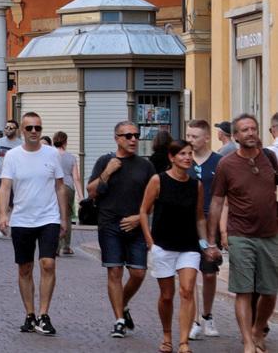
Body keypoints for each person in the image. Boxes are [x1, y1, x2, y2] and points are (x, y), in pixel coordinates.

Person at [207, 114, 278, 353]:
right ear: (235, 136)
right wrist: (213, 238)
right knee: (244, 290)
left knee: (269, 291)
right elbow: (217, 202)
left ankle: (258, 329)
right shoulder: (226, 164)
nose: (250, 133)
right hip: (240, 235)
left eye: (253, 129)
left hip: (270, 234)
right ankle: (248, 341)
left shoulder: (269, 158)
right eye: (244, 130)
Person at [0, 112, 68, 336]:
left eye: (38, 128)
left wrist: (64, 217)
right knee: (25, 268)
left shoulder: (52, 154)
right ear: (22, 131)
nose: (34, 132)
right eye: (29, 128)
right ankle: (29, 314)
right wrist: (2, 214)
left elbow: (59, 186)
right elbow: (5, 187)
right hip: (22, 219)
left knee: (48, 264)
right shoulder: (13, 156)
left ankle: (44, 314)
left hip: (48, 218)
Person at [138, 139, 209, 353]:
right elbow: (143, 211)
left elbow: (199, 217)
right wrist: (150, 243)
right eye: (182, 154)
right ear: (172, 157)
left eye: (190, 154)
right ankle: (167, 335)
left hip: (189, 246)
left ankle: (183, 342)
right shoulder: (158, 181)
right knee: (167, 295)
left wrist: (205, 244)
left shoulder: (196, 185)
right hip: (163, 245)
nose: (187, 157)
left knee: (187, 290)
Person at [87, 121, 157, 338]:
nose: (133, 139)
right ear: (116, 138)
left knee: (138, 273)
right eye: (127, 136)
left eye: (136, 135)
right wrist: (107, 172)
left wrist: (139, 217)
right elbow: (91, 192)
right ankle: (119, 319)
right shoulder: (104, 161)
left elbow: (153, 198)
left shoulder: (145, 166)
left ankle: (123, 303)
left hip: (136, 225)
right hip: (109, 224)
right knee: (115, 271)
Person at [184, 119, 224, 340]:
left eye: (194, 136)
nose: (190, 140)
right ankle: (193, 320)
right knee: (190, 274)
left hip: (210, 223)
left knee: (208, 273)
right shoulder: (183, 160)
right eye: (188, 136)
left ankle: (207, 315)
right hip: (187, 222)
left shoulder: (219, 162)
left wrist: (222, 230)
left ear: (207, 137)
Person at [51, 132, 82, 255]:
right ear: (65, 142)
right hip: (68, 187)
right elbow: (76, 178)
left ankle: (55, 247)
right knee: (67, 216)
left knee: (54, 215)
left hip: (53, 187)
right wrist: (80, 195)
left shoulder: (50, 156)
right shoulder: (71, 157)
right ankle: (66, 246)